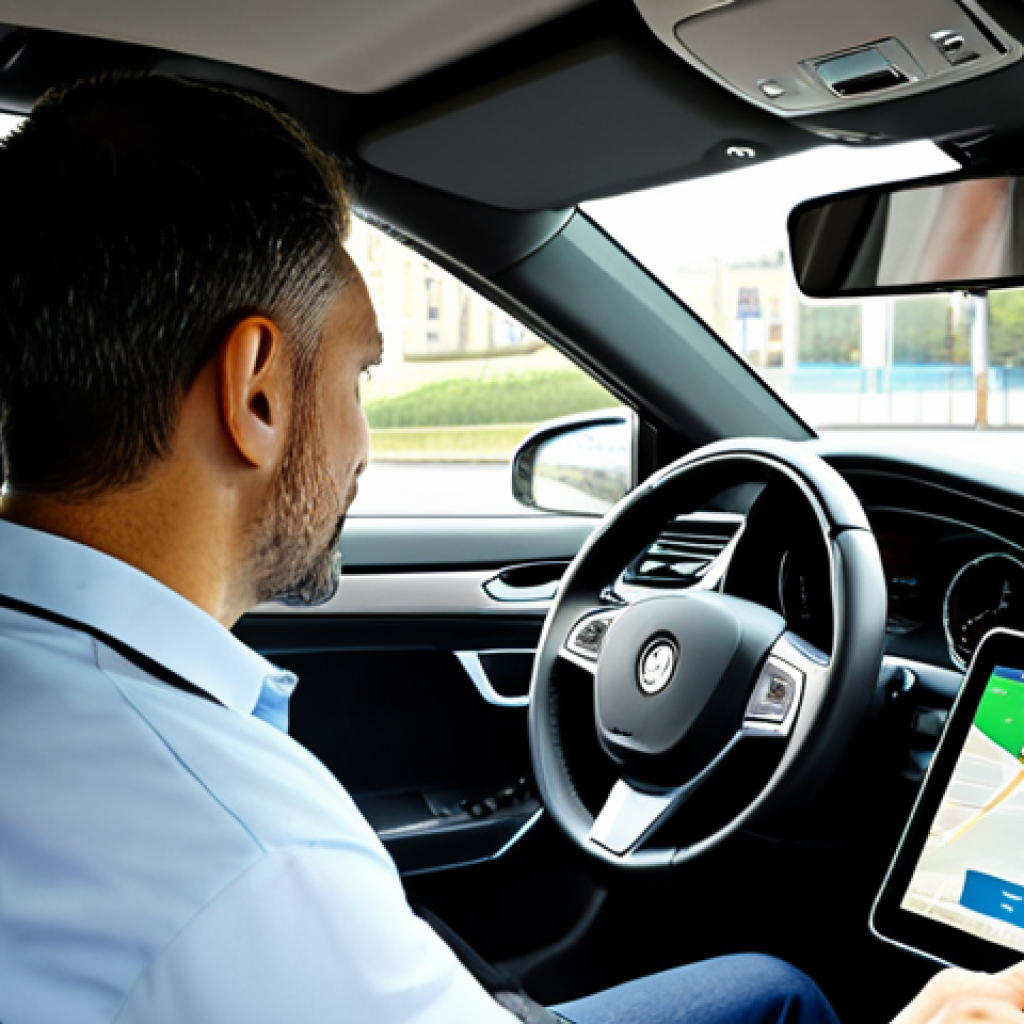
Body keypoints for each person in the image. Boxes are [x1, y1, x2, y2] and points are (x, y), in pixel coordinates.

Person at [0, 71, 1018, 1024]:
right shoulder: (245, 855)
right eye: (359, 379)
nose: (363, 445)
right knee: (786, 994)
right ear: (256, 390)